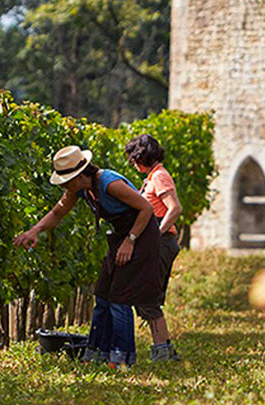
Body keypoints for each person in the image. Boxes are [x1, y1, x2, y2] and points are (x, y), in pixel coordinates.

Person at [14, 146, 161, 367]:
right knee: (102, 295)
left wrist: (130, 241)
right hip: (122, 237)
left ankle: (122, 358)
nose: (64, 185)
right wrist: (34, 230)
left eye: (67, 180)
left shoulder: (109, 183)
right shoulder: (80, 189)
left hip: (141, 237)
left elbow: (146, 208)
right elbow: (58, 212)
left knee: (120, 298)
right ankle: (97, 353)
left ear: (81, 175)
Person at [124, 134, 182, 362]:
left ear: (141, 158)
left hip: (161, 241)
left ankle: (161, 351)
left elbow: (174, 208)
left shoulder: (159, 177)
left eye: (133, 159)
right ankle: (164, 347)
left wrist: (155, 236)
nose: (132, 164)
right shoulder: (154, 176)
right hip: (159, 241)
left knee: (147, 296)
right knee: (150, 295)